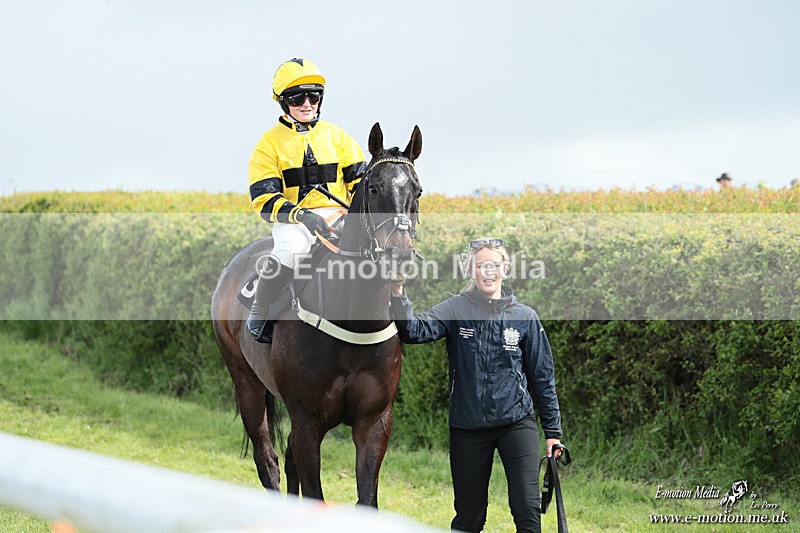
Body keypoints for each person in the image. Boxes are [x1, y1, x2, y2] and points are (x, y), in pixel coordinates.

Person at [390, 238, 563, 533]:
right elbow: (413, 331)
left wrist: (553, 433)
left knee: (527, 512)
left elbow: (542, 377)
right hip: (467, 428)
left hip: (516, 423)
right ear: (471, 271)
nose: (488, 271)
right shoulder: (456, 308)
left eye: (494, 265)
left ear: (504, 269)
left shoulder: (525, 317)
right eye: (481, 265)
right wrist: (397, 291)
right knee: (469, 519)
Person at [246, 58, 367, 343]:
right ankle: (260, 309)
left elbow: (360, 184)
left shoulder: (338, 137)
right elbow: (263, 199)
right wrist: (302, 216)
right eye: (297, 97)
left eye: (314, 95)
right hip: (293, 221)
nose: (307, 103)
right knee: (293, 248)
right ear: (282, 102)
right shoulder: (268, 144)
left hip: (339, 215)